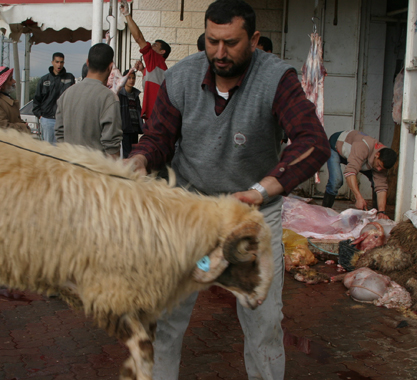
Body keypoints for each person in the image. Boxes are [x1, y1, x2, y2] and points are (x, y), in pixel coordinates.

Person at [125, 0, 330, 378]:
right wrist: (137, 161)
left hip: (252, 212)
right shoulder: (182, 76)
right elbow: (158, 138)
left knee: (263, 323)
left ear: (252, 39)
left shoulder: (276, 78)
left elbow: (313, 142)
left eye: (231, 43)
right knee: (165, 319)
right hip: (190, 211)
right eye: (212, 41)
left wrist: (263, 189)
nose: (220, 53)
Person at [55, 43, 122, 158]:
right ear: (111, 67)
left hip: (68, 170)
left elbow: (59, 134)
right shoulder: (109, 98)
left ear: (87, 63)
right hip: (95, 172)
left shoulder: (66, 94)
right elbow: (112, 147)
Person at [322, 130, 397, 219]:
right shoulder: (362, 147)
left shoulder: (382, 160)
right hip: (336, 147)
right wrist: (358, 198)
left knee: (376, 182)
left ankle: (376, 214)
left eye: (382, 168)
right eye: (379, 165)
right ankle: (324, 212)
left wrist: (382, 211)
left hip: (358, 156)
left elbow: (381, 187)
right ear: (377, 154)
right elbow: (350, 172)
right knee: (336, 181)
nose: (379, 169)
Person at [120, 0, 171, 120]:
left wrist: (127, 14)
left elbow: (138, 38)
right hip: (159, 113)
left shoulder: (155, 58)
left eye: (155, 45)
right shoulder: (160, 66)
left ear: (162, 52)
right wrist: (143, 70)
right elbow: (154, 81)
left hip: (155, 114)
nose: (151, 46)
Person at [32, 52, 75, 144]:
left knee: (63, 148)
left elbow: (73, 98)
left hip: (64, 119)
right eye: (57, 62)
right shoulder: (44, 80)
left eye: (61, 62)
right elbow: (37, 99)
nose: (59, 65)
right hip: (48, 119)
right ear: (52, 62)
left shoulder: (69, 78)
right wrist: (40, 116)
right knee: (48, 149)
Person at [117, 67, 143, 158]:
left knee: (134, 153)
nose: (131, 80)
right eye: (129, 78)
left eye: (133, 78)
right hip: (125, 129)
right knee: (126, 154)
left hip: (135, 129)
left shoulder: (135, 95)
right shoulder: (120, 94)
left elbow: (139, 111)